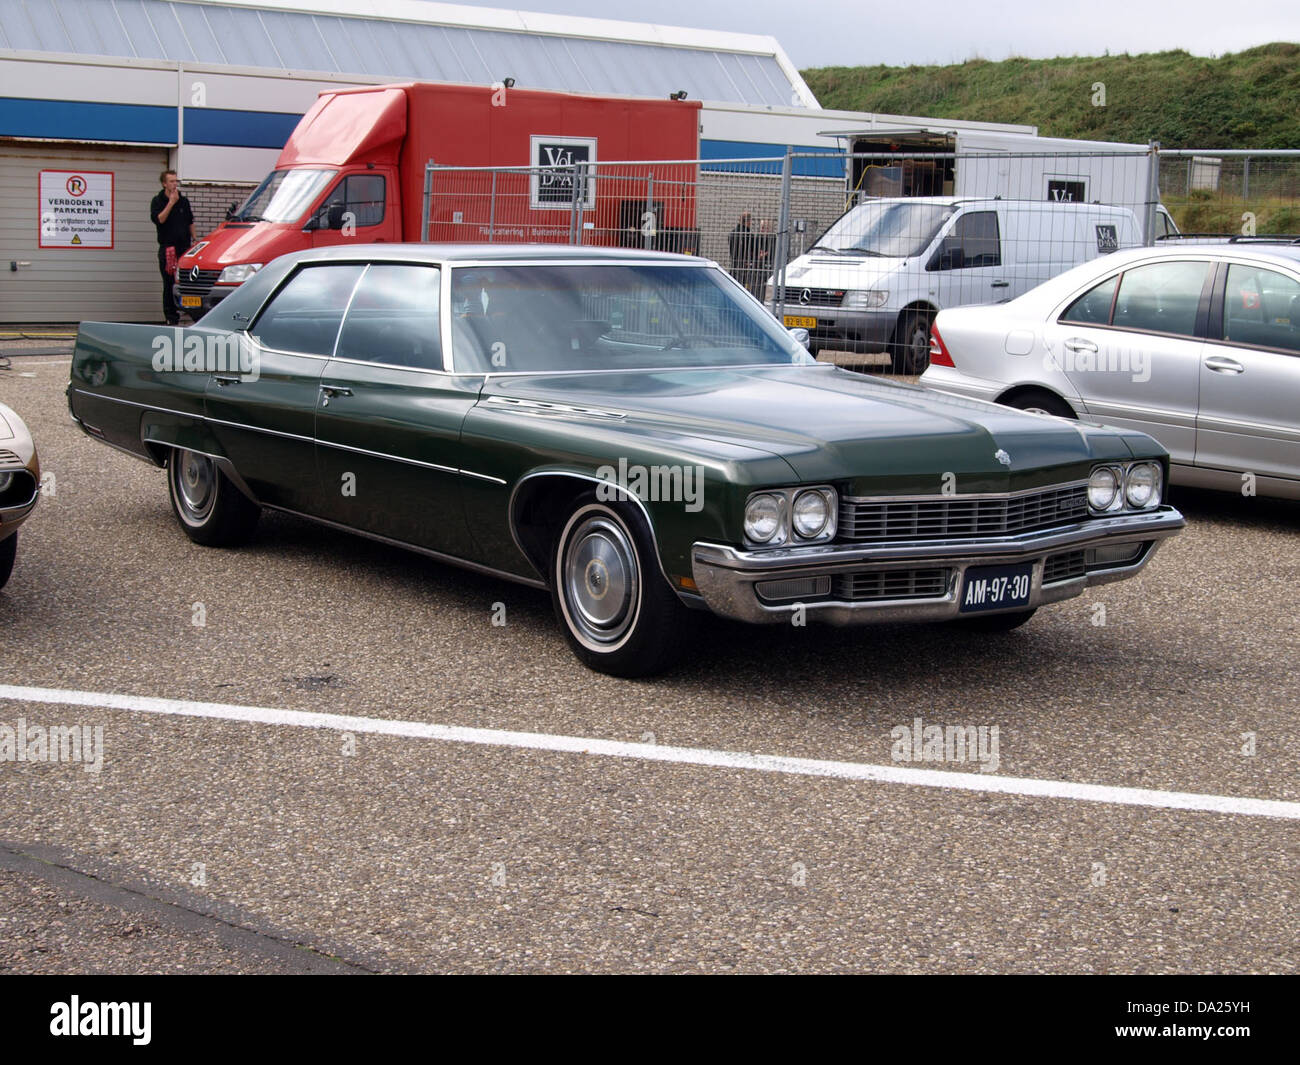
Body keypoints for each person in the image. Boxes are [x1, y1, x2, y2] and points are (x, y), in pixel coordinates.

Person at [150, 170, 195, 325]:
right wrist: (171, 203)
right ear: (164, 184)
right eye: (171, 181)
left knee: (187, 282)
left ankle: (191, 313)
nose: (175, 184)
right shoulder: (158, 201)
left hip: (184, 248)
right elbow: (160, 219)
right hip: (168, 248)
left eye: (176, 181)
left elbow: (190, 221)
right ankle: (171, 316)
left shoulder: (184, 201)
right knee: (169, 283)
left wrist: (194, 240)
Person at [728, 211, 757, 294]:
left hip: (734, 263)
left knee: (733, 285)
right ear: (748, 221)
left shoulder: (732, 233)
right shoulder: (748, 234)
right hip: (746, 265)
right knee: (744, 288)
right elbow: (753, 251)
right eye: (750, 221)